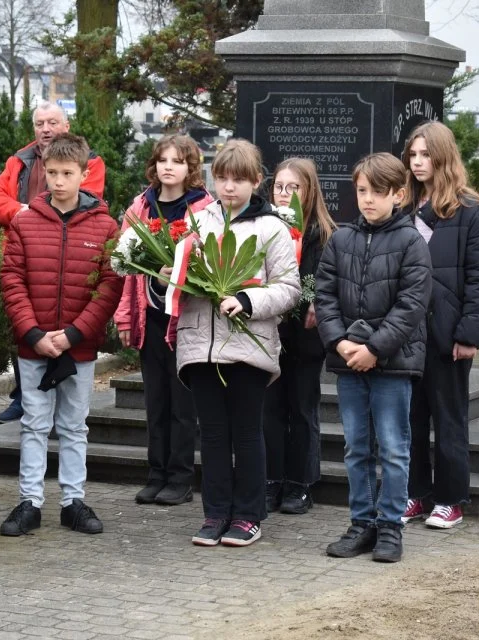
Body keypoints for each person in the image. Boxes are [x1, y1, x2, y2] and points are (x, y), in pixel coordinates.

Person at [0, 133, 122, 537]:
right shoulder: (25, 221)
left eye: (67, 173)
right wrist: (33, 333)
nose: (58, 181)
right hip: (33, 345)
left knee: (73, 424)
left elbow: (108, 286)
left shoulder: (105, 226)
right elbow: (12, 279)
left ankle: (73, 501)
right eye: (51, 173)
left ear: (85, 174)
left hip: (78, 347)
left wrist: (72, 335)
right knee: (34, 423)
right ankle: (29, 501)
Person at [178, 139, 300, 547]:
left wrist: (247, 300)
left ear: (256, 181)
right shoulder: (197, 219)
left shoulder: (271, 227)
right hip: (201, 346)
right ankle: (215, 513)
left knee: (246, 433)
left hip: (248, 347)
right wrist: (171, 274)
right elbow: (181, 273)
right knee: (211, 434)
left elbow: (289, 289)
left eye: (239, 180)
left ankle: (248, 514)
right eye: (222, 178)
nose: (229, 187)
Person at [315, 152, 431, 563]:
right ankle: (361, 523)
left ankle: (390, 527)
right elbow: (324, 294)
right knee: (356, 446)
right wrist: (340, 343)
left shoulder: (411, 242)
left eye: (377, 192)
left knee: (394, 448)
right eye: (362, 191)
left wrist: (374, 348)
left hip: (393, 364)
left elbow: (411, 305)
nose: (368, 200)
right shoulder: (341, 238)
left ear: (398, 194)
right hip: (348, 360)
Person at [399, 122, 479, 529]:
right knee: (410, 419)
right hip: (406, 334)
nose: (418, 162)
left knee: (449, 417)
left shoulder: (472, 211)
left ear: (443, 157)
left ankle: (451, 498)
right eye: (414, 155)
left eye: (426, 155)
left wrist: (470, 334)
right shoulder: (403, 206)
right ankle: (416, 493)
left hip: (447, 334)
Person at [0, 101, 107, 424]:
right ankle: (22, 397)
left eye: (52, 122)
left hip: (73, 258)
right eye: (39, 123)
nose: (45, 129)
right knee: (27, 325)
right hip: (29, 251)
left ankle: (59, 407)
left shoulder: (89, 160)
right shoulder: (19, 160)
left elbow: (88, 197)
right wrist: (27, 213)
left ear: (66, 127)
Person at [114, 135, 214, 507]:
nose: (168, 166)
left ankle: (180, 477)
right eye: (162, 160)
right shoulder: (141, 207)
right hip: (150, 317)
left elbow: (208, 261)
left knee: (182, 403)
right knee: (155, 401)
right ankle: (156, 473)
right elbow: (125, 270)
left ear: (191, 168)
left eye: (177, 161)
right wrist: (125, 317)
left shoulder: (203, 208)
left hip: (185, 320)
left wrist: (179, 274)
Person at [263, 158, 336, 515]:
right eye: (279, 186)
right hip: (270, 331)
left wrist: (316, 301)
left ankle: (301, 483)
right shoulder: (264, 226)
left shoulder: (323, 233)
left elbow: (330, 279)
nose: (285, 193)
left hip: (305, 336)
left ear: (309, 192)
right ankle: (272, 479)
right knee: (270, 408)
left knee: (302, 409)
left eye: (294, 187)